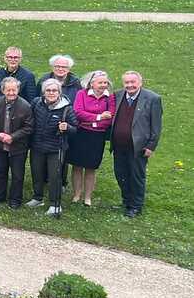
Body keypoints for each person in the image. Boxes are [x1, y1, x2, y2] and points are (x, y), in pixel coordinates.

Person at [110, 71, 163, 218]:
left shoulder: (152, 98)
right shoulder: (118, 95)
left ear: (140, 82)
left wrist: (151, 146)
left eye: (133, 82)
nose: (130, 85)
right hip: (119, 145)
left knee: (136, 176)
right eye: (127, 82)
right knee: (120, 174)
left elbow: (156, 125)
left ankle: (136, 206)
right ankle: (126, 201)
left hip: (138, 147)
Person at [27, 78, 79, 217]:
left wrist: (67, 127)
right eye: (48, 90)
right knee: (36, 173)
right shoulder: (36, 103)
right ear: (43, 92)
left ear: (59, 92)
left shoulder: (66, 108)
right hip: (37, 146)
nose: (51, 93)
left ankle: (55, 204)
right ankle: (37, 198)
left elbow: (75, 129)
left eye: (54, 90)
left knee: (54, 176)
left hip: (56, 148)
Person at [67, 71, 116, 207]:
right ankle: (77, 194)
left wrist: (91, 120)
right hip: (81, 133)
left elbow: (110, 118)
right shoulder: (81, 94)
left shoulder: (110, 98)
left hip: (97, 136)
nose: (103, 85)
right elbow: (78, 113)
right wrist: (99, 117)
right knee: (77, 165)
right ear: (92, 83)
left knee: (91, 167)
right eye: (100, 82)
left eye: (105, 83)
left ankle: (87, 197)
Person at [0, 77, 34, 209]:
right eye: (8, 90)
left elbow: (29, 127)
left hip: (18, 147)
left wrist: (13, 137)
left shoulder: (25, 106)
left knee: (17, 175)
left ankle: (15, 200)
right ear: (2, 90)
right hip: (0, 145)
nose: (11, 93)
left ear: (18, 90)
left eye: (14, 90)